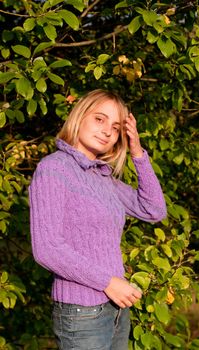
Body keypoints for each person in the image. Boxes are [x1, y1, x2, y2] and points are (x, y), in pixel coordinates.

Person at [29, 89, 167, 350]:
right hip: (82, 314)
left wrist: (138, 153)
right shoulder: (54, 169)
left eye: (115, 127)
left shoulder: (103, 179)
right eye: (99, 119)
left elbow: (154, 210)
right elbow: (47, 249)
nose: (107, 131)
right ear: (80, 117)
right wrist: (108, 282)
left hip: (115, 309)